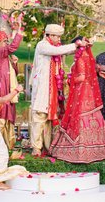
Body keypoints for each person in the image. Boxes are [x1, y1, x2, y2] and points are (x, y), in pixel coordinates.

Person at [49, 37, 105, 163]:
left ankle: (80, 151)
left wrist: (69, 80)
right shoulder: (87, 55)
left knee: (79, 116)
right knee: (93, 116)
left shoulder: (80, 57)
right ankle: (100, 149)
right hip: (89, 92)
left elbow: (81, 77)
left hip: (81, 92)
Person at [30, 24, 87, 156]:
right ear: (48, 35)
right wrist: (76, 45)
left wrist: (82, 46)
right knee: (40, 116)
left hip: (53, 88)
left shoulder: (55, 48)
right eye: (56, 36)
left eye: (60, 37)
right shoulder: (42, 45)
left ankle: (48, 146)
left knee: (50, 118)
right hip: (43, 88)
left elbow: (63, 50)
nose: (59, 39)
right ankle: (36, 147)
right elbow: (58, 51)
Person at [0, 28, 23, 149]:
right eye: (4, 41)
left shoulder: (4, 55)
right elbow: (12, 48)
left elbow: (13, 73)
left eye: (7, 41)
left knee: (7, 116)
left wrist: (14, 63)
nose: (7, 43)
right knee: (1, 116)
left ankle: (7, 144)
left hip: (8, 88)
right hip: (2, 89)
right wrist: (19, 33)